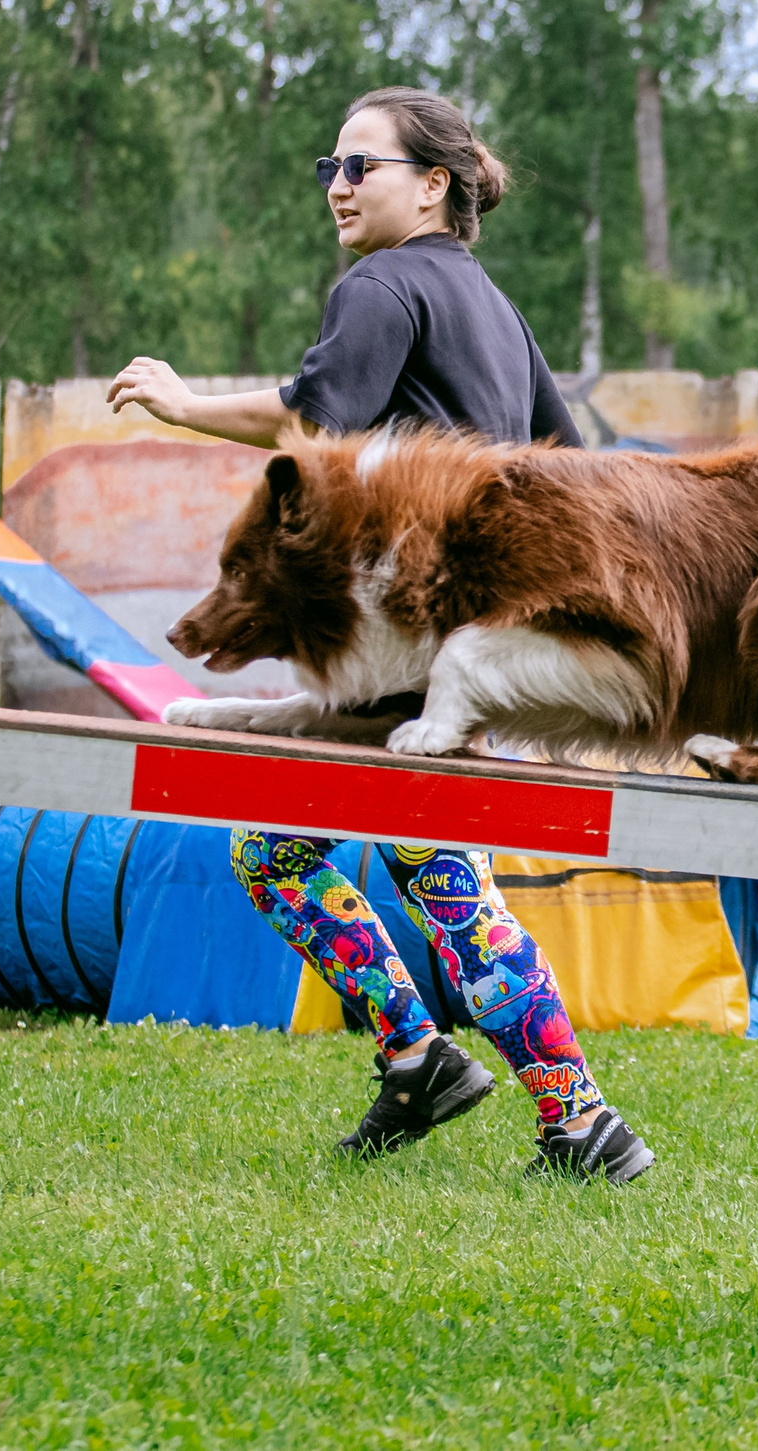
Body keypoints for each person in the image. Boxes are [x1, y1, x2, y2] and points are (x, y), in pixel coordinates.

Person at [106, 87, 654, 1183]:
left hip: (410, 642)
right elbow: (560, 464)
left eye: (362, 168)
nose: (338, 190)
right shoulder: (492, 308)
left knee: (437, 874)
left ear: (433, 185)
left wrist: (178, 400)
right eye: (332, 169)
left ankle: (582, 1122)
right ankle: (420, 1058)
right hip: (464, 639)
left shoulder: (381, 284)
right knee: (279, 850)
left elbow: (310, 417)